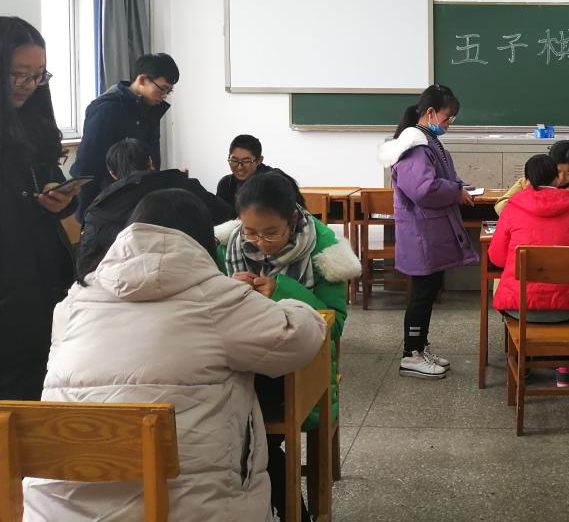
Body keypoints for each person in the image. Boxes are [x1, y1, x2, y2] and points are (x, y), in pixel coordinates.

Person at [21, 189, 327, 522]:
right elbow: (298, 338)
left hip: (55, 512)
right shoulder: (216, 298)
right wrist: (287, 302)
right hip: (186, 511)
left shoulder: (74, 302)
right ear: (202, 241)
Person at [217, 170, 360, 522]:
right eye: (251, 232)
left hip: (300, 366)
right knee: (220, 429)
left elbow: (334, 324)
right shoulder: (227, 243)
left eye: (271, 233)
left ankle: (292, 511)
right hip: (241, 360)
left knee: (253, 435)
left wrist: (282, 290)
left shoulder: (325, 249)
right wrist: (228, 288)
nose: (260, 243)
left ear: (293, 219)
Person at [0, 17, 79, 400]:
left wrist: (62, 199)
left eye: (38, 75)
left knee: (43, 387)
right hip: (10, 286)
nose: (29, 85)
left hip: (43, 280)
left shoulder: (34, 122)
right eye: (18, 74)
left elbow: (53, 183)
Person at [378, 84, 478, 380]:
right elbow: (423, 189)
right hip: (421, 232)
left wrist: (459, 186)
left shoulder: (426, 140)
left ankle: (420, 348)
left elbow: (437, 178)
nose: (449, 124)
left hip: (428, 230)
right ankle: (411, 355)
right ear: (431, 113)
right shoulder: (414, 145)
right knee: (421, 294)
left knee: (429, 290)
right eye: (448, 118)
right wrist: (455, 192)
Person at [489, 154, 569, 388]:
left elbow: (496, 257)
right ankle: (564, 366)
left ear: (527, 181)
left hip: (519, 307)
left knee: (506, 290)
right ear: (557, 179)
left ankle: (524, 360)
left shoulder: (513, 207)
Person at [78, 138, 233, 276]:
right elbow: (228, 215)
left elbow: (86, 267)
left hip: (126, 285)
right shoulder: (185, 184)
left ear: (112, 173)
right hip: (195, 274)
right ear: (150, 162)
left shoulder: (99, 207)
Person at [71, 52, 179, 218]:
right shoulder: (106, 109)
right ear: (142, 80)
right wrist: (87, 215)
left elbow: (153, 159)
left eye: (169, 91)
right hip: (108, 205)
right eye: (162, 89)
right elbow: (87, 163)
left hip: (138, 201)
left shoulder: (151, 109)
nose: (164, 96)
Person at [494, 139, 569, 239]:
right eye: (558, 171)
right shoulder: (530, 182)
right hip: (531, 238)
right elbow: (501, 206)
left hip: (565, 243)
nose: (562, 178)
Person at [217, 133, 275, 209]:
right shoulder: (225, 184)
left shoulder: (274, 183)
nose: (239, 167)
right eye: (234, 160)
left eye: (246, 161)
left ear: (259, 160)